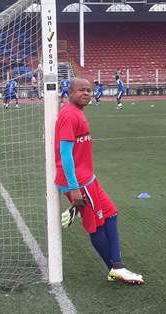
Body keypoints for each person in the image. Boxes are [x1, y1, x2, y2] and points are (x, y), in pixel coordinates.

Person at [54, 78, 144, 285]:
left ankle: (118, 265)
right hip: (79, 182)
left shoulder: (77, 112)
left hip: (88, 178)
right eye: (81, 90)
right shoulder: (69, 114)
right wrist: (74, 188)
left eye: (89, 90)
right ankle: (115, 269)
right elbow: (65, 154)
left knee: (111, 214)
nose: (86, 93)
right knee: (96, 226)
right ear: (70, 91)